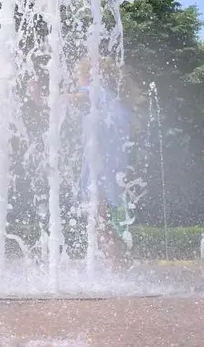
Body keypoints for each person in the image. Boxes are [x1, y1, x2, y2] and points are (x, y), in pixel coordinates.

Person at [75, 57, 133, 268]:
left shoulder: (93, 91)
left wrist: (50, 98)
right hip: (112, 165)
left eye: (78, 75)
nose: (76, 80)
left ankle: (119, 264)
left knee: (99, 221)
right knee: (101, 221)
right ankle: (121, 261)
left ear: (88, 75)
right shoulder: (113, 98)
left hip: (100, 168)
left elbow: (79, 98)